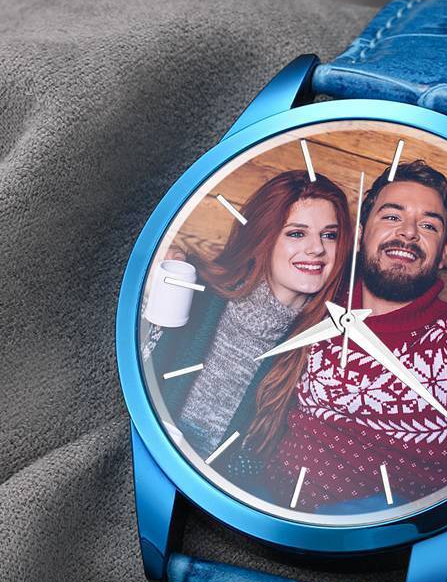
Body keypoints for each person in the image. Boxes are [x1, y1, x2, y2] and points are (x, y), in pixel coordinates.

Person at [265, 159, 447, 512]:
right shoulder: (318, 295)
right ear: (362, 233)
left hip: (380, 527)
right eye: (392, 217)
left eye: (428, 225)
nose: (409, 233)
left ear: (442, 254)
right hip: (270, 505)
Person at [144, 170, 352, 473]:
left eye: (329, 235)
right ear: (263, 237)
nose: (317, 248)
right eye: (297, 233)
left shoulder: (324, 344)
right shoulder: (193, 290)